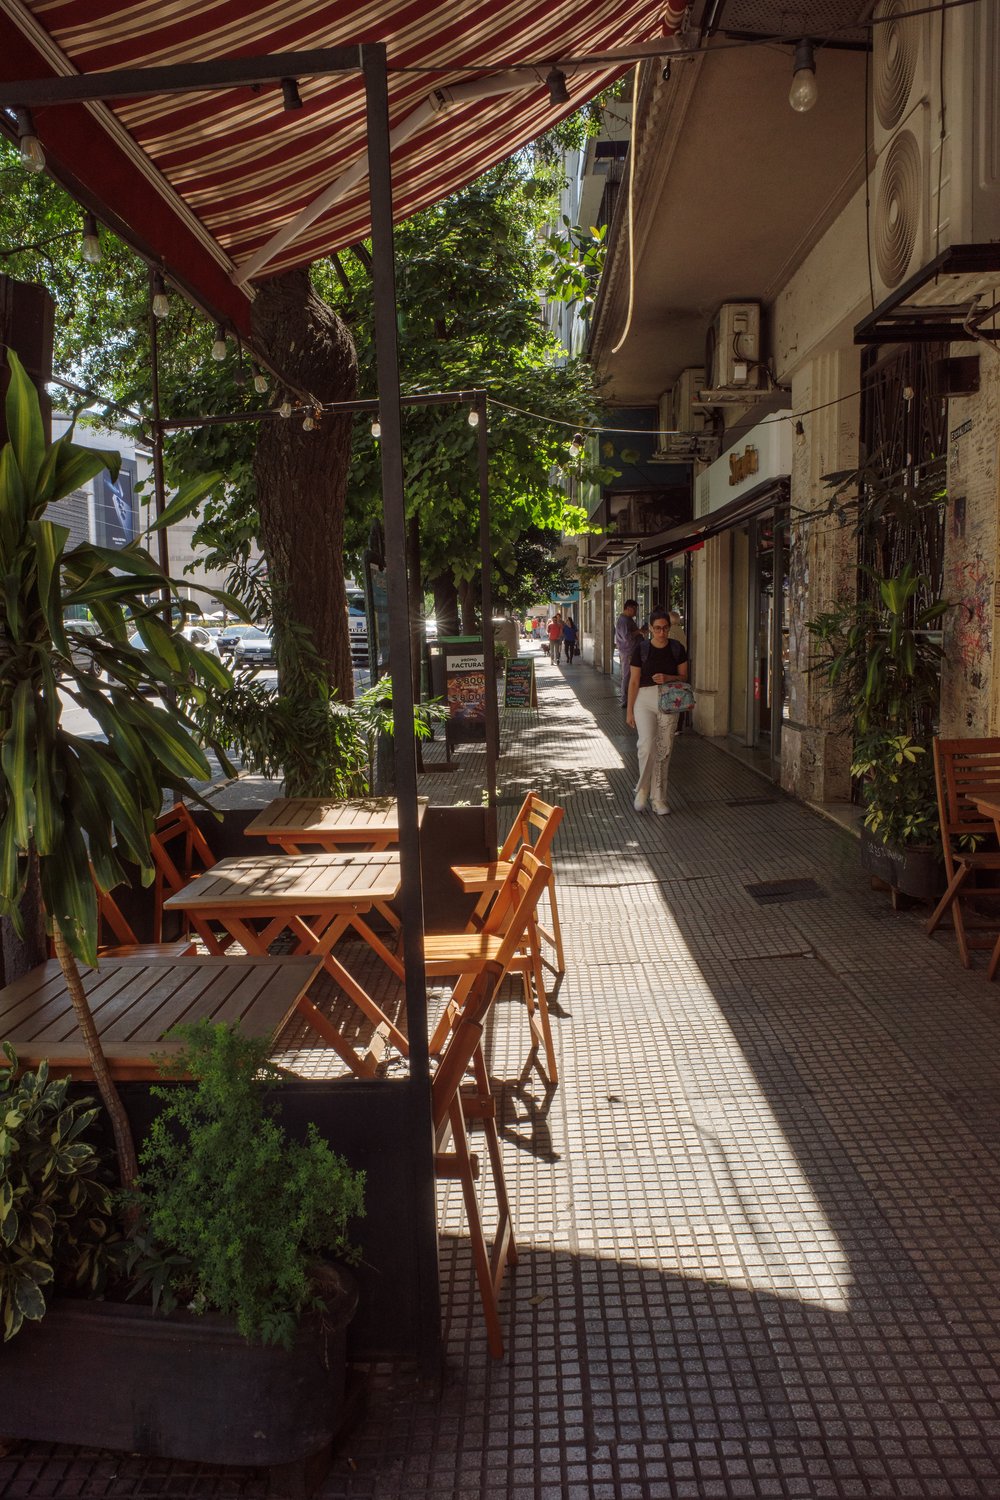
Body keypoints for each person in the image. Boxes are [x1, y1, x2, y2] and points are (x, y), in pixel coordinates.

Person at [626, 607, 688, 816]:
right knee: (645, 745)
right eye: (658, 628)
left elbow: (684, 677)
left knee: (664, 749)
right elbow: (633, 681)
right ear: (651, 629)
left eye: (665, 628)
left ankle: (659, 798)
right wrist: (629, 711)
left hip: (670, 699)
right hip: (644, 699)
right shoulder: (641, 650)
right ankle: (642, 789)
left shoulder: (677, 648)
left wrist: (668, 678)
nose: (662, 633)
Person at [614, 599, 646, 706]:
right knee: (627, 675)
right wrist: (639, 631)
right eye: (635, 609)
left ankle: (628, 698)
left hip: (631, 651)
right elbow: (627, 637)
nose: (636, 612)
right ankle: (625, 700)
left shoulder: (628, 619)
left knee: (630, 675)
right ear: (629, 608)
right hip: (628, 652)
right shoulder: (624, 620)